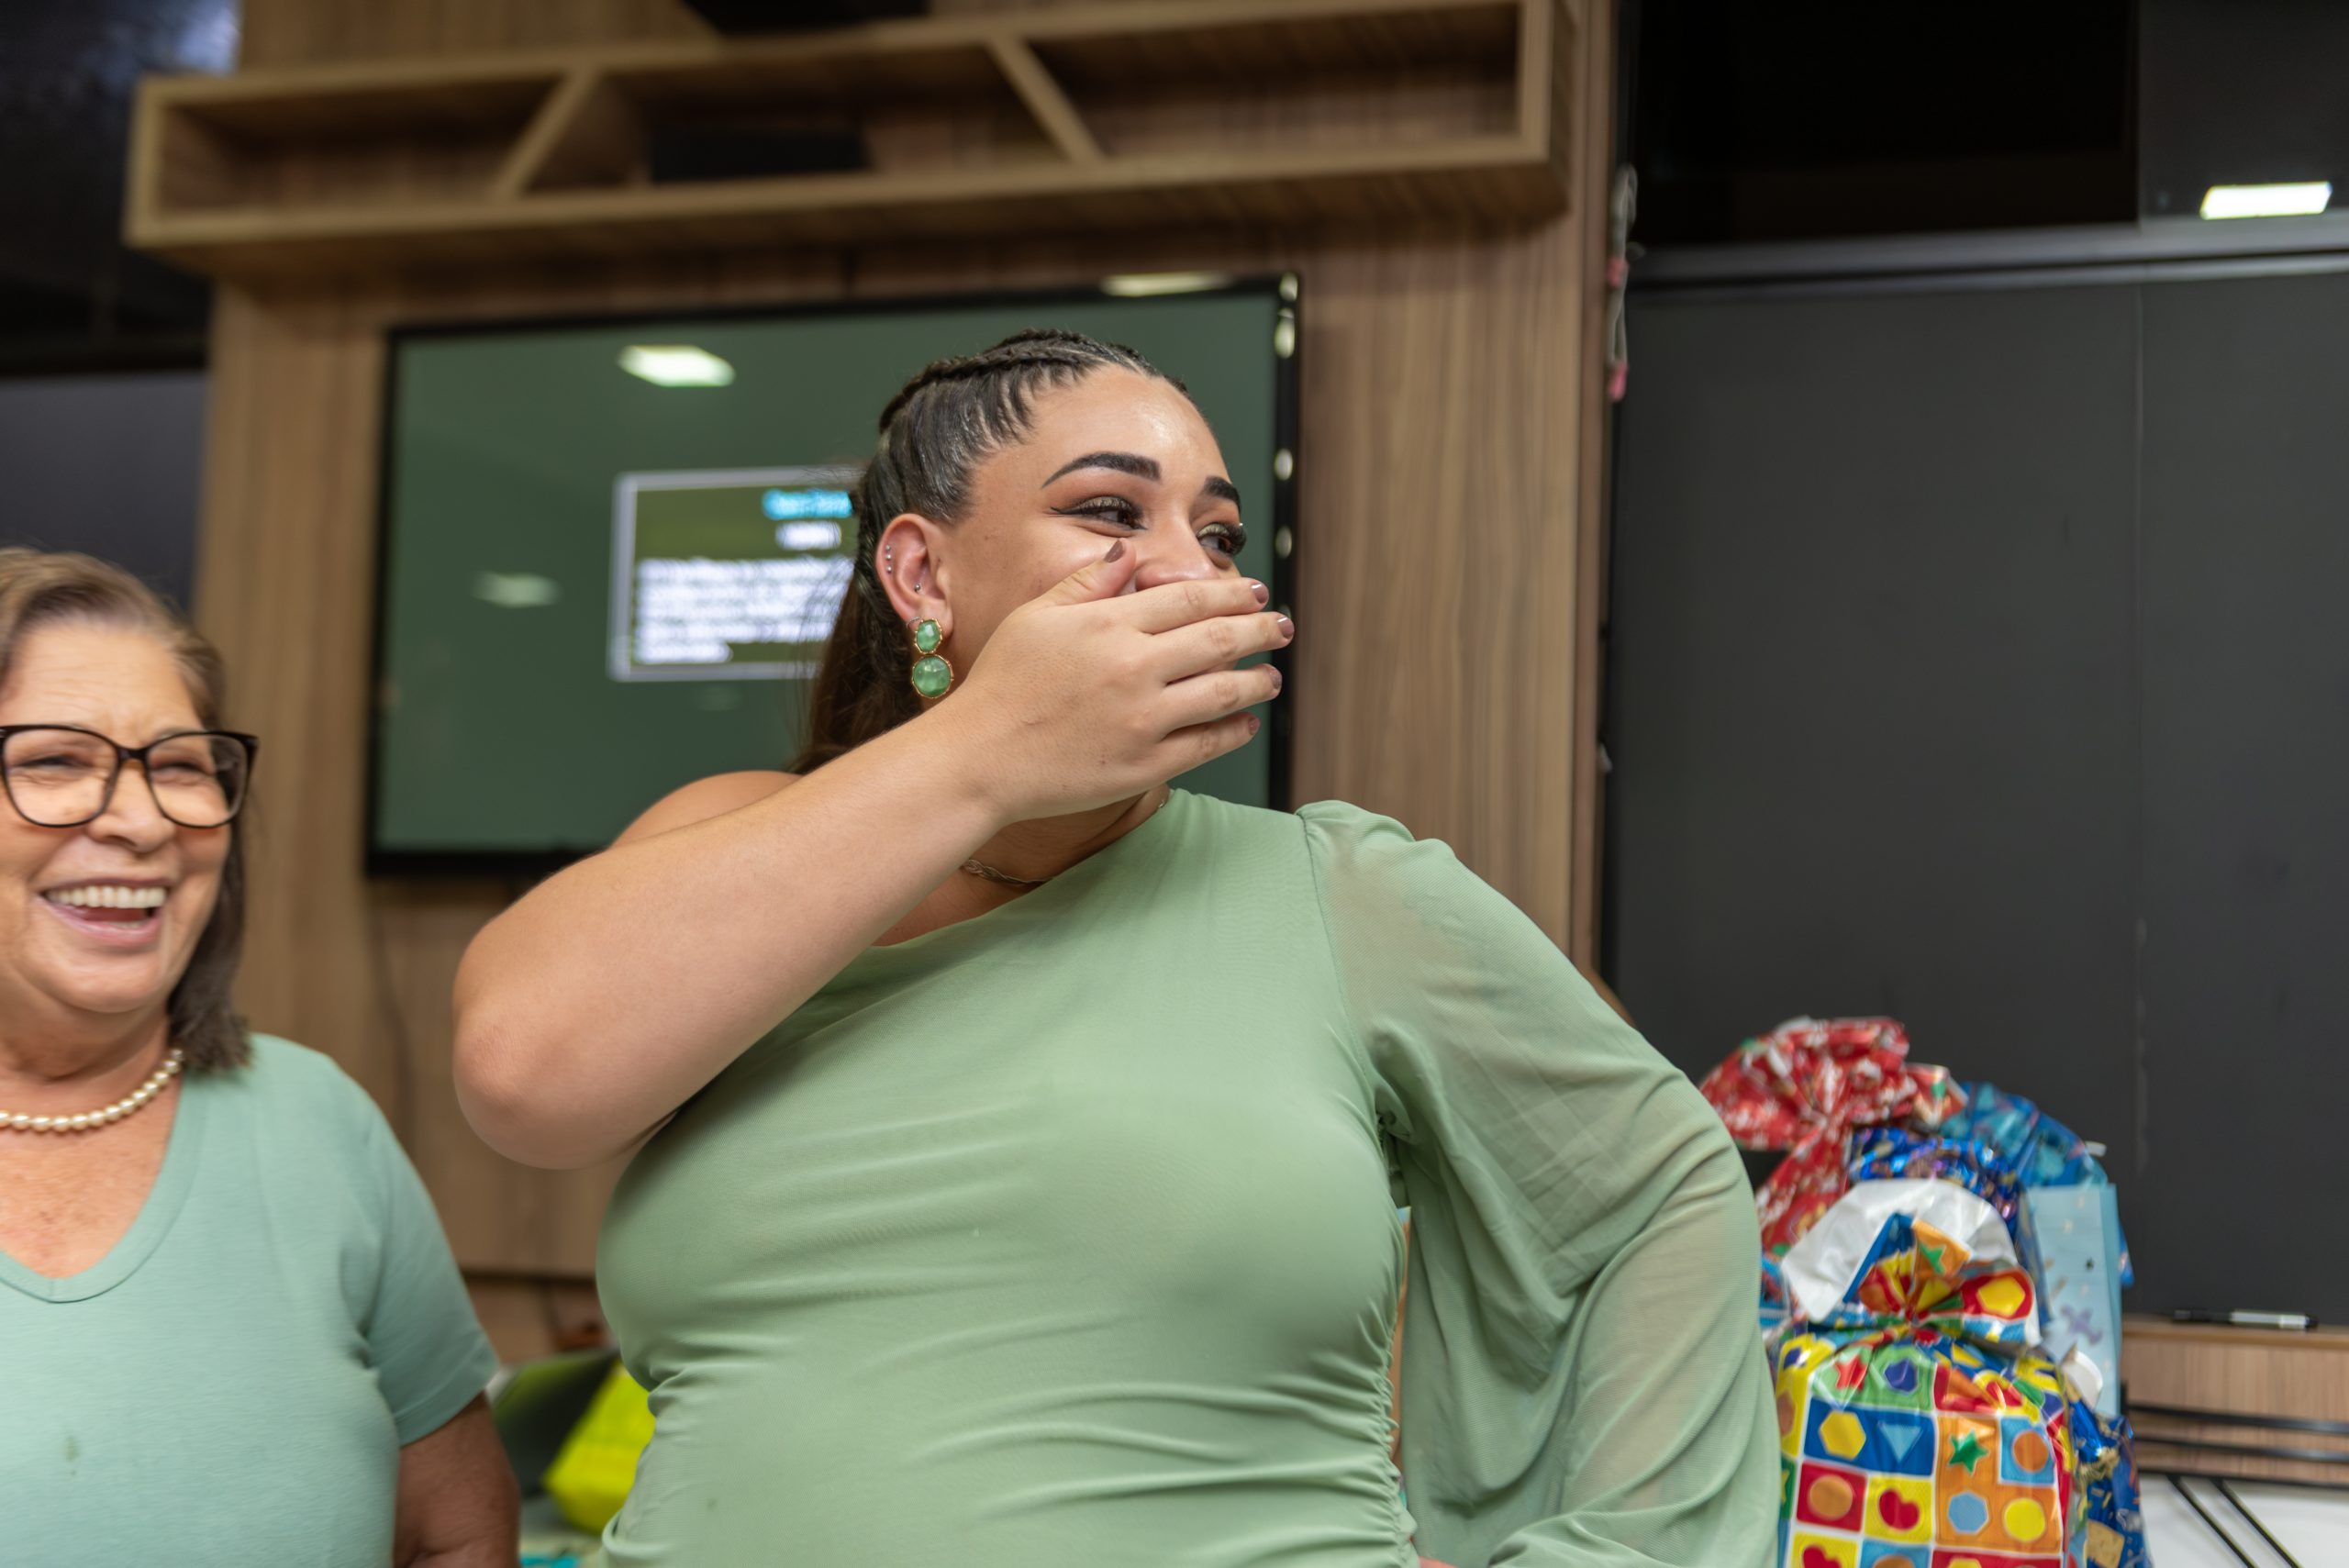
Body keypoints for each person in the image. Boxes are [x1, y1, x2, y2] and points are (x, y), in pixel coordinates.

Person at [455, 330, 1778, 1566]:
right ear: (922, 575)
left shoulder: (1340, 895)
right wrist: (988, 750)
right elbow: (524, 1072)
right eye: (1108, 510)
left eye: (1218, 533)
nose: (1194, 570)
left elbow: (1655, 1198)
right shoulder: (737, 838)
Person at [0, 550, 515, 1566]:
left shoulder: (321, 1122)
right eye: (54, 760)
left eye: (181, 766)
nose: (143, 820)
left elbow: (456, 1535)